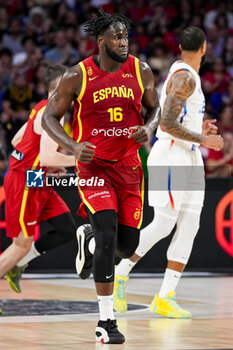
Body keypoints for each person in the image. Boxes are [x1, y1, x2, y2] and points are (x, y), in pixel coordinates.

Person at [42, 9, 161, 344]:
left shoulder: (141, 71)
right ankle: (106, 321)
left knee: (127, 245)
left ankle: (88, 240)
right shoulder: (76, 76)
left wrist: (148, 128)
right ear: (101, 41)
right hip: (93, 168)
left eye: (126, 36)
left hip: (129, 168)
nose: (124, 42)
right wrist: (73, 146)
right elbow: (49, 118)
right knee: (108, 233)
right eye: (117, 37)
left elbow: (155, 109)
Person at [113, 26, 223, 319]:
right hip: (169, 157)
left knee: (190, 225)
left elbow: (179, 120)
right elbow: (165, 125)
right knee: (163, 224)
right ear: (204, 47)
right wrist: (204, 139)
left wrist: (197, 131)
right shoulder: (185, 76)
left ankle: (165, 297)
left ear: (180, 46)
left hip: (187, 156)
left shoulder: (186, 74)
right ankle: (119, 274)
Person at [0, 64, 92, 299]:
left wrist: (49, 165)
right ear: (62, 85)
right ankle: (17, 262)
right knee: (20, 244)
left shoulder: (41, 108)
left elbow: (17, 140)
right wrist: (78, 159)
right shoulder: (51, 114)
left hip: (36, 177)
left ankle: (19, 265)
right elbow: (48, 155)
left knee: (66, 229)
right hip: (25, 181)